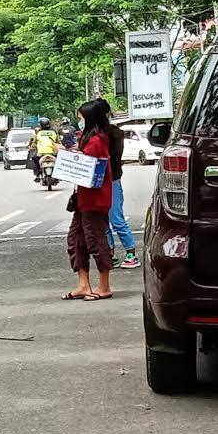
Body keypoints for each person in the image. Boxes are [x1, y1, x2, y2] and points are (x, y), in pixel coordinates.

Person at [63, 100, 114, 302]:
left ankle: (104, 286)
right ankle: (83, 285)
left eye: (81, 118)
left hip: (94, 200)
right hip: (83, 200)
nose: (79, 121)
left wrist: (72, 158)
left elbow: (89, 166)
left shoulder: (97, 141)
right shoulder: (88, 139)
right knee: (76, 240)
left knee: (95, 241)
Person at [96, 98, 139, 269]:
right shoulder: (94, 133)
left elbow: (110, 155)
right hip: (98, 182)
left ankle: (131, 253)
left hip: (112, 180)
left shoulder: (114, 133)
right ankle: (110, 253)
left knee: (116, 218)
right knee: (103, 220)